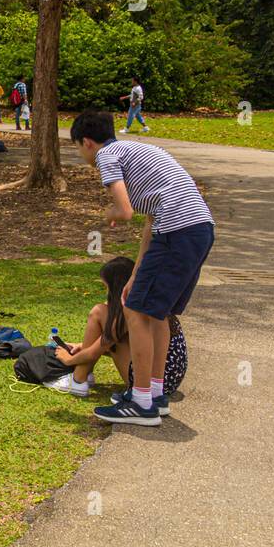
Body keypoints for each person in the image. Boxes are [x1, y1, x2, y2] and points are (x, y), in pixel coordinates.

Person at [70, 109, 214, 426]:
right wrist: (135, 274)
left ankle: (141, 402)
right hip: (197, 228)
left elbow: (124, 211)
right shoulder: (137, 151)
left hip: (177, 231)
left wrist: (109, 212)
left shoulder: (107, 156)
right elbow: (149, 222)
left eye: (78, 148)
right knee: (156, 313)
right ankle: (155, 395)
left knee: (134, 311)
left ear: (87, 142)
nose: (81, 155)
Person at [46, 256, 189, 400]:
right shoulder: (150, 300)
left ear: (117, 288)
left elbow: (95, 351)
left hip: (151, 384)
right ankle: (84, 374)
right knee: (104, 318)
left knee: (98, 312)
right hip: (168, 379)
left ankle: (78, 379)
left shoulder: (130, 312)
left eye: (107, 287)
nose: (106, 293)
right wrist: (82, 346)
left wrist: (68, 360)